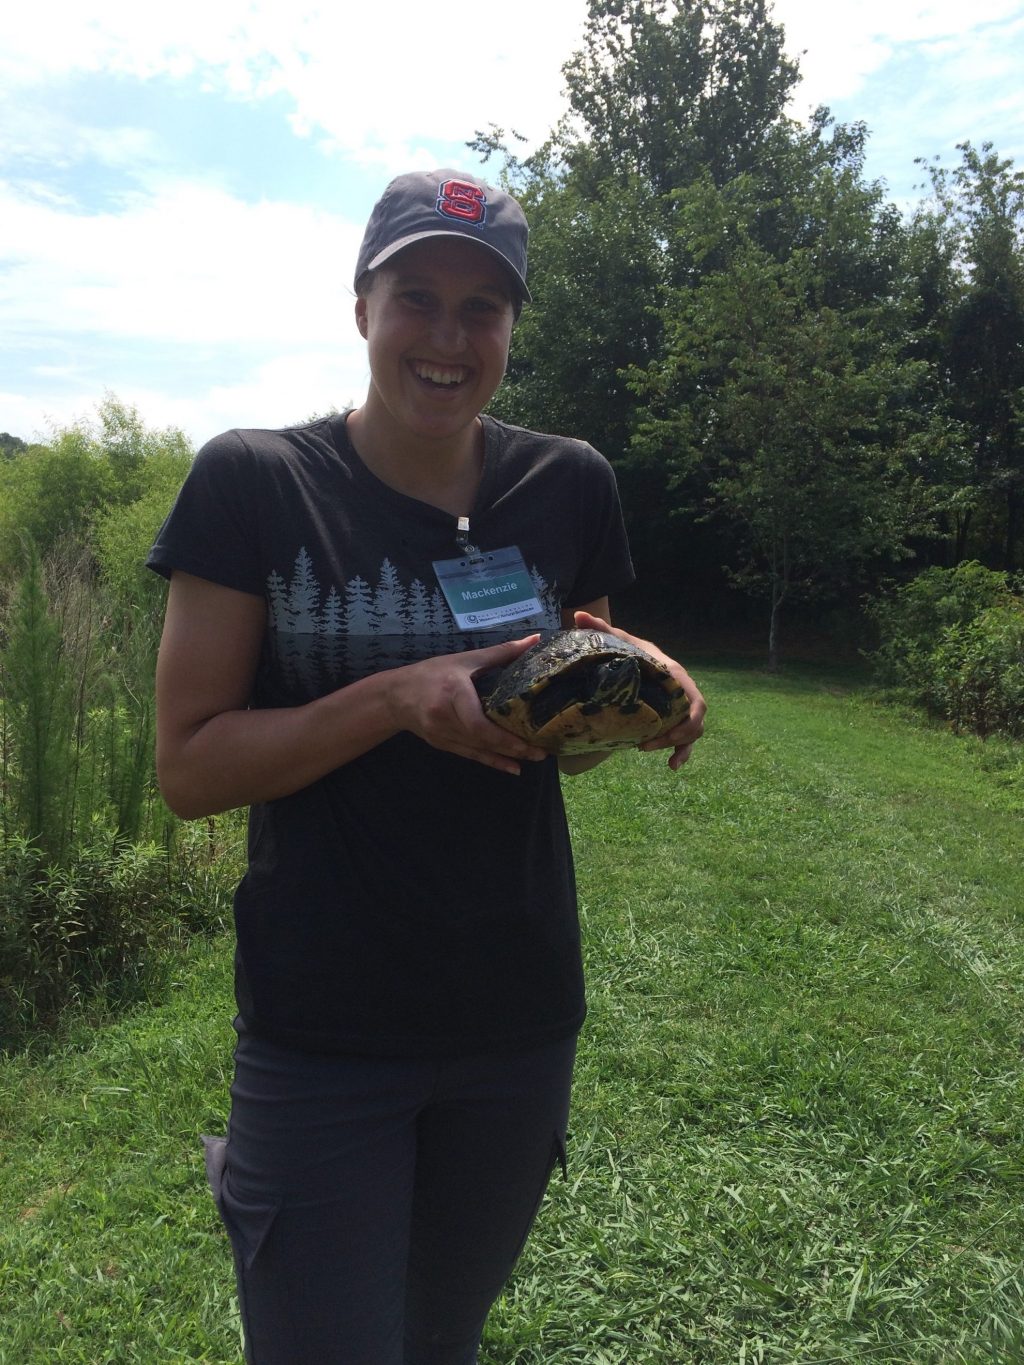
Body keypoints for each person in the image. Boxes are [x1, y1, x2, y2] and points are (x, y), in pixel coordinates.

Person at [148, 168, 706, 1365]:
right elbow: (191, 768)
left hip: (514, 1016)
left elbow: (572, 715)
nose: (448, 338)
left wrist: (643, 693)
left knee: (440, 1341)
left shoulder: (567, 483)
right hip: (323, 1026)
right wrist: (397, 700)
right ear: (361, 307)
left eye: (482, 309)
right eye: (417, 298)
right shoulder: (255, 483)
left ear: (510, 328)